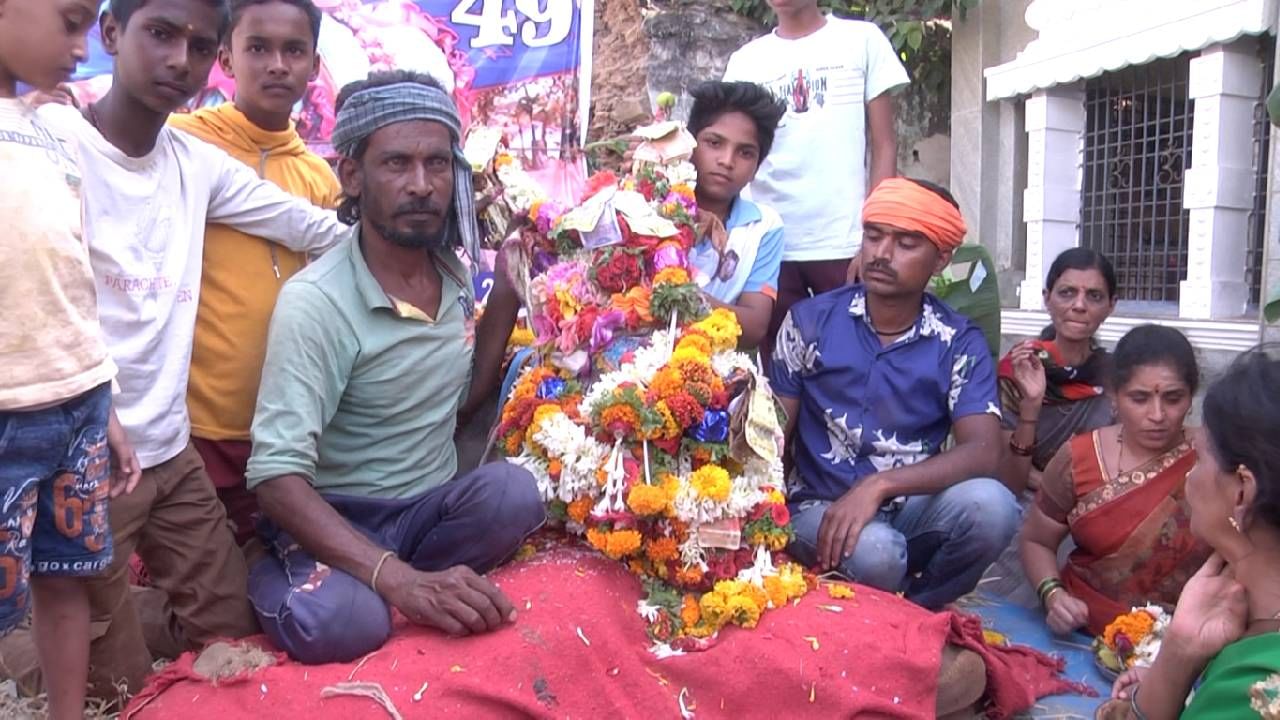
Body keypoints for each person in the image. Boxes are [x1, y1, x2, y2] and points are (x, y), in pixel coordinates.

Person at [33, 0, 349, 696]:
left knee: (235, 629)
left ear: (215, 61)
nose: (180, 59)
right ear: (110, 35)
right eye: (160, 34)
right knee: (109, 687)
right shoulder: (51, 144)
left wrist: (407, 242)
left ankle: (103, 612)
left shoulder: (194, 164)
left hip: (172, 456)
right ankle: (33, 630)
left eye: (199, 45)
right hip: (84, 458)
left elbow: (308, 227)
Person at [246, 70, 544, 665]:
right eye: (397, 164)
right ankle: (291, 575)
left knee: (518, 494)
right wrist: (401, 582)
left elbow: (460, 399)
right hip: (335, 517)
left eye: (437, 164)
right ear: (352, 176)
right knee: (343, 623)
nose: (422, 185)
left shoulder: (454, 273)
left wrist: (509, 290)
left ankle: (392, 580)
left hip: (425, 508)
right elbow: (276, 479)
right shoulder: (318, 303)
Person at [769, 177, 1018, 609]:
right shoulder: (810, 322)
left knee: (994, 508)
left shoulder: (958, 341)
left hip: (910, 507)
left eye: (906, 243)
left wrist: (881, 485)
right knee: (877, 554)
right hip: (817, 507)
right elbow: (771, 435)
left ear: (941, 259)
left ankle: (919, 612)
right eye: (874, 236)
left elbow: (983, 449)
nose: (882, 254)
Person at [0, 2, 140, 717]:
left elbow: (70, 278)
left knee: (67, 576)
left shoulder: (57, 129)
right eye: (69, 20)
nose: (82, 46)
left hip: (78, 402)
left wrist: (106, 400)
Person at [168, 0, 340, 546]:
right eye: (258, 48)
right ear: (225, 56)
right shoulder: (181, 142)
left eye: (294, 51)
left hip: (281, 425)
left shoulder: (318, 177)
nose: (276, 65)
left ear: (314, 65)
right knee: (193, 568)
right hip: (191, 421)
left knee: (258, 567)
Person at [723, 0, 908, 362]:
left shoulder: (862, 40)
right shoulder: (746, 62)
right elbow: (732, 150)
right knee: (780, 369)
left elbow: (884, 144)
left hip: (843, 241)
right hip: (770, 245)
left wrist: (875, 234)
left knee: (854, 363)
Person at [1107, 347, 1280, 719]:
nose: (1189, 477)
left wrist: (1172, 666)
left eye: (1200, 459)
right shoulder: (1253, 618)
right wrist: (1179, 658)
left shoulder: (1255, 688)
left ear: (1242, 492)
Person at [1020, 325, 1210, 637]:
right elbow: (1036, 540)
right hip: (1085, 633)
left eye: (1173, 399)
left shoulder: (1214, 460)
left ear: (1191, 397)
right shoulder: (1079, 458)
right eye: (1139, 399)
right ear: (1114, 395)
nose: (1158, 415)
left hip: (1184, 642)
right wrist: (1053, 595)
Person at [998, 248, 1118, 493]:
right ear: (1047, 298)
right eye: (1067, 293)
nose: (1079, 305)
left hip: (1099, 500)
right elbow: (1010, 476)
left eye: (1094, 296)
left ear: (1111, 306)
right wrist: (1031, 407)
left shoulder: (1118, 377)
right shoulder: (1018, 370)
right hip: (1026, 501)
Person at [685, 80, 787, 350]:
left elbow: (753, 326)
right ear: (689, 145)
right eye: (714, 143)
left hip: (710, 367)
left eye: (745, 152)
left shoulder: (763, 227)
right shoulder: (653, 207)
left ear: (756, 167)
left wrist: (681, 296)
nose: (727, 161)